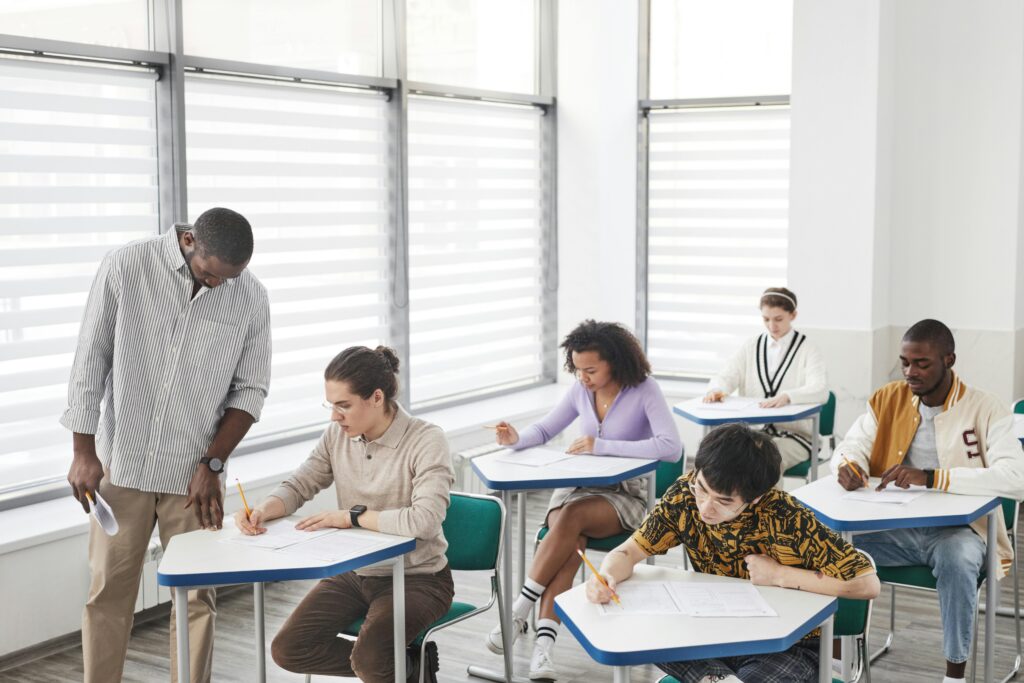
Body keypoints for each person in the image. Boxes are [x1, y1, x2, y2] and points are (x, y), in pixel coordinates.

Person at [61, 208, 271, 683]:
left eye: (229, 278)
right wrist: (82, 451)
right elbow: (90, 360)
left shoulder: (251, 296)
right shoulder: (127, 266)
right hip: (122, 468)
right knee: (108, 595)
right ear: (190, 240)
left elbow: (251, 390)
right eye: (210, 275)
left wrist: (213, 462)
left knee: (198, 599)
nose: (219, 286)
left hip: (193, 478)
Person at [587, 424, 880, 683]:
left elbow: (867, 583)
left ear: (756, 498)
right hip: (715, 636)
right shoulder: (684, 497)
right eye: (701, 489)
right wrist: (606, 575)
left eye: (724, 501)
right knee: (649, 632)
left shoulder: (787, 517)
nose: (705, 507)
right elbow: (629, 551)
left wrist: (780, 575)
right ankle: (719, 678)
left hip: (785, 645)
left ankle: (714, 677)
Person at [236, 346, 454, 683]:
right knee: (289, 649)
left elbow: (423, 521)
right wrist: (265, 509)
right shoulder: (337, 435)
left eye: (344, 406)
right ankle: (410, 666)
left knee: (371, 660)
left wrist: (352, 518)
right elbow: (300, 483)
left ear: (376, 397)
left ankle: (388, 666)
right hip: (356, 573)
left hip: (418, 578)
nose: (334, 417)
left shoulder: (426, 440)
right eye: (331, 405)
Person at [484, 320, 682, 680]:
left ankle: (518, 610)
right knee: (570, 540)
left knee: (570, 519)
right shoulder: (580, 390)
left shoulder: (643, 390)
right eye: (577, 369)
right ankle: (543, 649)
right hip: (577, 487)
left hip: (623, 493)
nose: (584, 377)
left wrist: (601, 445)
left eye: (591, 370)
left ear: (615, 362)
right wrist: (515, 438)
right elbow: (545, 430)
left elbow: (671, 447)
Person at [832, 319, 1024, 682]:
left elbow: (1017, 478)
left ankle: (954, 674)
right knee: (830, 544)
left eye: (922, 363)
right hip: (893, 527)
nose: (910, 372)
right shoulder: (888, 398)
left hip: (960, 531)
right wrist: (849, 465)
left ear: (949, 359)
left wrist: (934, 477)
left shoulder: (986, 407)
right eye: (905, 362)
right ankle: (839, 660)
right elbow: (850, 445)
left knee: (957, 557)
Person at [704, 287, 828, 476]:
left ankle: (769, 507)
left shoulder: (808, 349)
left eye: (778, 319)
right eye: (766, 319)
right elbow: (727, 375)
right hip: (754, 435)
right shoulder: (751, 345)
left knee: (767, 462)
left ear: (793, 315)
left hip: (797, 437)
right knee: (723, 458)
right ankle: (739, 506)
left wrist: (788, 396)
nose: (772, 326)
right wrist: (717, 389)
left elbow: (820, 390)